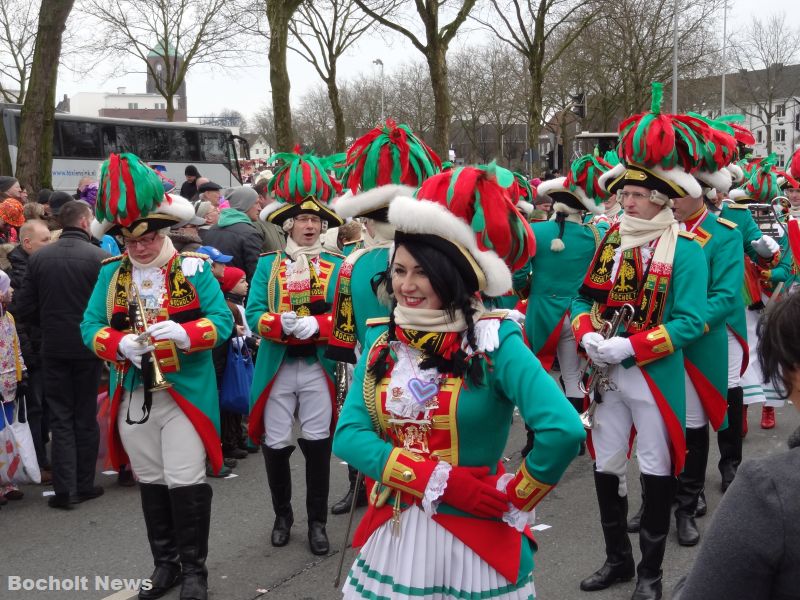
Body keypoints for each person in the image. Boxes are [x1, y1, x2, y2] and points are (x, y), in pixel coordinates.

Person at [333, 165, 584, 599]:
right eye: (399, 270)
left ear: (453, 277)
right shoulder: (383, 337)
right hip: (398, 529)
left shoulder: (493, 339)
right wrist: (439, 481)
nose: (406, 285)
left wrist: (516, 494)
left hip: (475, 538)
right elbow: (350, 436)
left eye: (421, 273)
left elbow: (563, 429)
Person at [574, 85, 709, 600]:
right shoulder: (610, 240)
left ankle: (651, 575)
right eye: (623, 194)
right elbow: (582, 302)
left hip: (652, 374)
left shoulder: (688, 251)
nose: (623, 200)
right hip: (607, 377)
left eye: (633, 195)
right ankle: (619, 561)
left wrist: (632, 347)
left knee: (655, 468)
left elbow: (691, 321)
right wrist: (587, 333)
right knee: (607, 465)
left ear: (658, 198)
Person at [81, 152, 233, 600]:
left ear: (163, 230)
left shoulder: (194, 268)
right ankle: (165, 565)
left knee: (185, 479)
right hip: (134, 392)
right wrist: (118, 344)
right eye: (130, 241)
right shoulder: (111, 276)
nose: (140, 248)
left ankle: (194, 572)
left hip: (184, 392)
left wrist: (185, 334)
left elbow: (222, 323)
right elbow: (90, 326)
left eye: (147, 238)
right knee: (151, 480)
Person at [327, 119, 441, 515]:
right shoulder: (351, 264)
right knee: (362, 423)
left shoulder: (428, 259)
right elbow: (344, 325)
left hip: (423, 355)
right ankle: (361, 484)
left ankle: (411, 485)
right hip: (369, 358)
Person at [246, 148, 345, 556]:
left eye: (317, 220)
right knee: (276, 443)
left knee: (319, 444)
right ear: (288, 223)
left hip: (317, 367)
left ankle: (317, 522)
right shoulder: (269, 265)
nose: (310, 225)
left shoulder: (339, 265)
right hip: (278, 366)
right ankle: (282, 515)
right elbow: (254, 315)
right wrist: (279, 325)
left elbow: (345, 318)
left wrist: (318, 326)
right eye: (303, 219)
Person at [672, 291, 800, 600]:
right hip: (677, 334)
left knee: (730, 387)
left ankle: (726, 467)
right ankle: (686, 498)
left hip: (710, 327)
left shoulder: (770, 489)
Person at [14, 201, 109, 509]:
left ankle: (65, 489)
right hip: (88, 346)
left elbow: (23, 307)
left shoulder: (40, 258)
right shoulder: (101, 258)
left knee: (61, 416)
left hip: (54, 346)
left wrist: (47, 323)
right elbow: (112, 309)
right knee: (84, 414)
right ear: (84, 223)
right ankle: (84, 483)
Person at [515, 155, 610, 456]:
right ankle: (577, 437)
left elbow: (518, 274)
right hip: (578, 314)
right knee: (573, 376)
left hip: (542, 311)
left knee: (536, 376)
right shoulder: (595, 235)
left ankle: (535, 438)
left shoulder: (534, 231)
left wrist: (526, 287)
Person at [8, 219, 52, 481]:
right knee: (34, 409)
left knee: (44, 406)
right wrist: (31, 354)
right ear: (27, 243)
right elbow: (20, 319)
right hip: (31, 352)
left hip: (41, 347)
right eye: (44, 240)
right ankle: (37, 462)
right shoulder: (17, 274)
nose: (50, 244)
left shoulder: (36, 267)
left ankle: (42, 458)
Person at [0, 270, 27, 504]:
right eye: (7, 288)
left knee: (7, 435)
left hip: (9, 384)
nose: (11, 291)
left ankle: (8, 482)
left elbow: (15, 346)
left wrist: (22, 373)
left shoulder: (8, 318)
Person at [199, 187, 263, 282]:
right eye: (256, 203)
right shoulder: (250, 233)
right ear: (245, 204)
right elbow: (256, 274)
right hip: (241, 294)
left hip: (215, 292)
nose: (260, 208)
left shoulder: (212, 230)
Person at [252, 178, 286, 253]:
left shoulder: (276, 218)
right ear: (260, 198)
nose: (279, 201)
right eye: (274, 198)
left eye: (280, 197)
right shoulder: (256, 223)